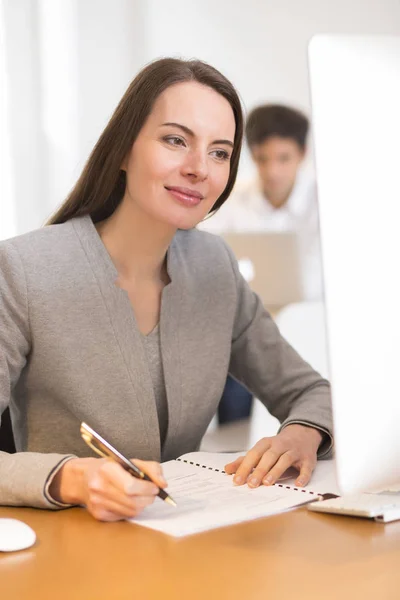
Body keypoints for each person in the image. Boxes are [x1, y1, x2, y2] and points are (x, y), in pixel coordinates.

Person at [0, 58, 332, 523]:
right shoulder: (23, 269)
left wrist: (300, 435)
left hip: (188, 542)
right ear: (122, 149)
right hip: (68, 552)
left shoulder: (214, 266)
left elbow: (311, 391)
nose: (200, 168)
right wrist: (71, 477)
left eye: (220, 152)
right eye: (176, 140)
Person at [199, 104, 324, 425]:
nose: (272, 172)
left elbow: (317, 283)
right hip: (248, 320)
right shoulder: (232, 200)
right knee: (231, 343)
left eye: (284, 158)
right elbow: (204, 259)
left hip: (306, 324)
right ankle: (235, 440)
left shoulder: (325, 201)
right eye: (262, 159)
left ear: (303, 154)